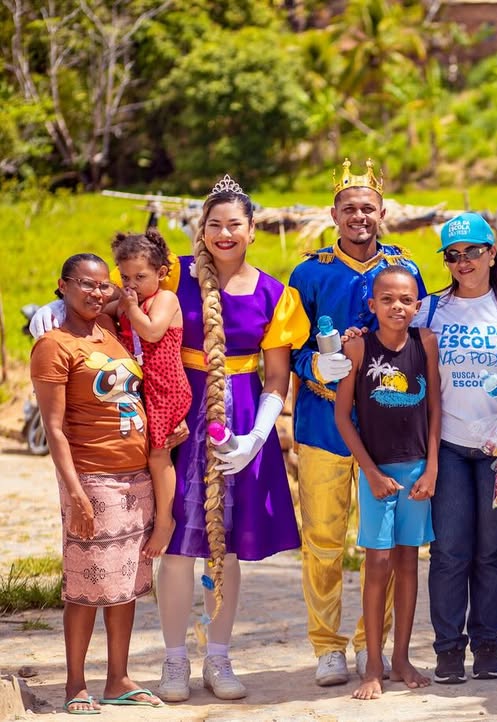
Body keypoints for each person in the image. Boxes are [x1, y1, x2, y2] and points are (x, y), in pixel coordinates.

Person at [153, 175, 309, 702]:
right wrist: (58, 312)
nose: (224, 233)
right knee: (178, 545)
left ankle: (218, 656)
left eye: (234, 224)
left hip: (240, 419)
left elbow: (276, 378)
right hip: (181, 412)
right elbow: (117, 296)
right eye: (214, 224)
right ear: (202, 229)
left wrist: (256, 438)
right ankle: (174, 659)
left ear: (252, 230)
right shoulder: (173, 274)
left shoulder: (274, 294)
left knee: (230, 548)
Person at [289, 158, 426, 686]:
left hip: (387, 429)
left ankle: (377, 642)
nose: (359, 217)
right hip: (322, 423)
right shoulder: (308, 273)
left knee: (383, 544)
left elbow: (417, 341)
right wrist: (313, 365)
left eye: (368, 208)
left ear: (382, 213)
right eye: (349, 209)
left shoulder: (405, 270)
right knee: (323, 540)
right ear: (333, 215)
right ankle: (327, 646)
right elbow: (288, 346)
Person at [414, 212, 497, 684]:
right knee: (450, 551)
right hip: (449, 445)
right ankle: (448, 649)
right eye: (453, 255)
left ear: (493, 253)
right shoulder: (429, 310)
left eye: (473, 251)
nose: (463, 262)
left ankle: (488, 646)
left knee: (491, 552)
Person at [31, 254, 164, 713]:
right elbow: (54, 429)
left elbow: (134, 291)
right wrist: (76, 492)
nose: (96, 292)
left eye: (103, 285)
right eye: (85, 284)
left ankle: (118, 678)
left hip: (135, 478)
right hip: (92, 478)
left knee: (123, 582)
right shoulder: (54, 345)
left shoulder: (108, 331)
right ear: (63, 285)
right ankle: (75, 684)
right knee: (86, 585)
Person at [334, 265, 440, 700]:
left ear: (417, 305)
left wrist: (432, 468)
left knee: (408, 561)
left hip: (417, 471)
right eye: (388, 299)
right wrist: (371, 473)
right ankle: (373, 665)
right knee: (377, 564)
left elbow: (435, 408)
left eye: (407, 300)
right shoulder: (359, 348)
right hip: (376, 472)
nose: (398, 307)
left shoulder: (425, 342)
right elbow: (343, 417)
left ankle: (401, 659)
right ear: (372, 304)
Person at [107, 229, 192, 559]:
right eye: (125, 277)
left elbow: (153, 331)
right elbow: (99, 313)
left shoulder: (165, 300)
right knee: (140, 453)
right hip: (139, 388)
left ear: (161, 273)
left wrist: (129, 308)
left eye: (140, 277)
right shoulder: (128, 302)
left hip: (165, 387)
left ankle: (165, 521)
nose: (132, 284)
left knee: (159, 455)